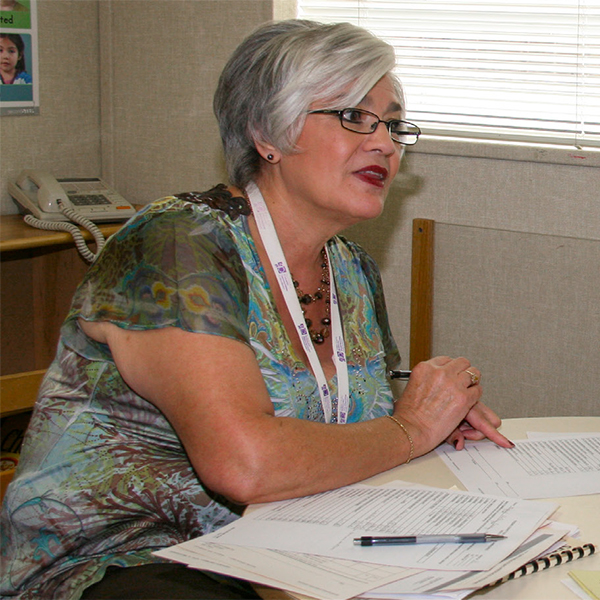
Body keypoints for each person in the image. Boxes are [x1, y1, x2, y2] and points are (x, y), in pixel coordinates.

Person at [0, 19, 513, 600]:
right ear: (266, 132)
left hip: (277, 551)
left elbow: (346, 424)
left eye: (394, 125)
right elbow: (243, 465)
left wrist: (438, 416)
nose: (384, 144)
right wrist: (412, 427)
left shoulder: (350, 269)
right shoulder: (181, 242)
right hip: (123, 560)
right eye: (353, 116)